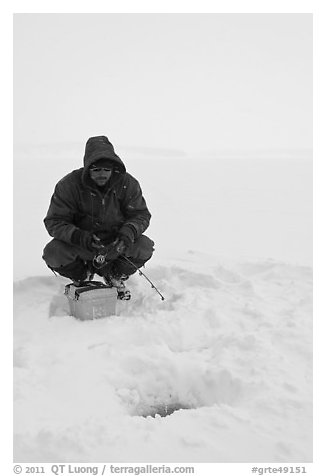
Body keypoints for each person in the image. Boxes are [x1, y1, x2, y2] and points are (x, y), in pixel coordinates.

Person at [42, 135, 154, 299]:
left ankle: (115, 276)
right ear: (87, 168)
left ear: (113, 169)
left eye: (106, 170)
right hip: (82, 247)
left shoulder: (128, 183)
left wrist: (128, 232)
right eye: (96, 170)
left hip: (116, 247)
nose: (101, 174)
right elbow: (54, 221)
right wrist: (79, 236)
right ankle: (82, 276)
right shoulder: (69, 185)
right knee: (53, 252)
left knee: (144, 246)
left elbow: (140, 215)